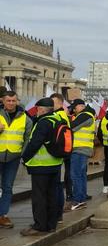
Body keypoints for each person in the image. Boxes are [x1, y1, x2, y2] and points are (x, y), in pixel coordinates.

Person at [20, 98, 63, 236]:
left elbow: (35, 143)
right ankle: (51, 224)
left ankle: (39, 225)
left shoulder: (43, 122)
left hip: (41, 165)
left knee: (39, 196)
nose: (36, 111)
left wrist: (25, 157)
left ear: (42, 109)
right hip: (55, 163)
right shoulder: (57, 119)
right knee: (52, 195)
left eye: (37, 108)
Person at [0, 91, 32, 228]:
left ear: (17, 101)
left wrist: (21, 154)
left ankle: (3, 215)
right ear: (3, 101)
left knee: (7, 187)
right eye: (8, 101)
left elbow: (27, 138)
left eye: (13, 101)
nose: (11, 103)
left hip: (13, 158)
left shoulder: (26, 118)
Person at [66, 99, 95, 211]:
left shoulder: (85, 115)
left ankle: (77, 200)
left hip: (80, 149)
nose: (74, 109)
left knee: (76, 175)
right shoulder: (88, 115)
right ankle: (81, 199)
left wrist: (68, 117)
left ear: (81, 106)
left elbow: (71, 128)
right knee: (81, 175)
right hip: (83, 149)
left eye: (75, 107)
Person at [97, 111, 108, 194]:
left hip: (106, 145)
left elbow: (99, 134)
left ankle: (105, 186)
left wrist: (103, 142)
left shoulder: (103, 119)